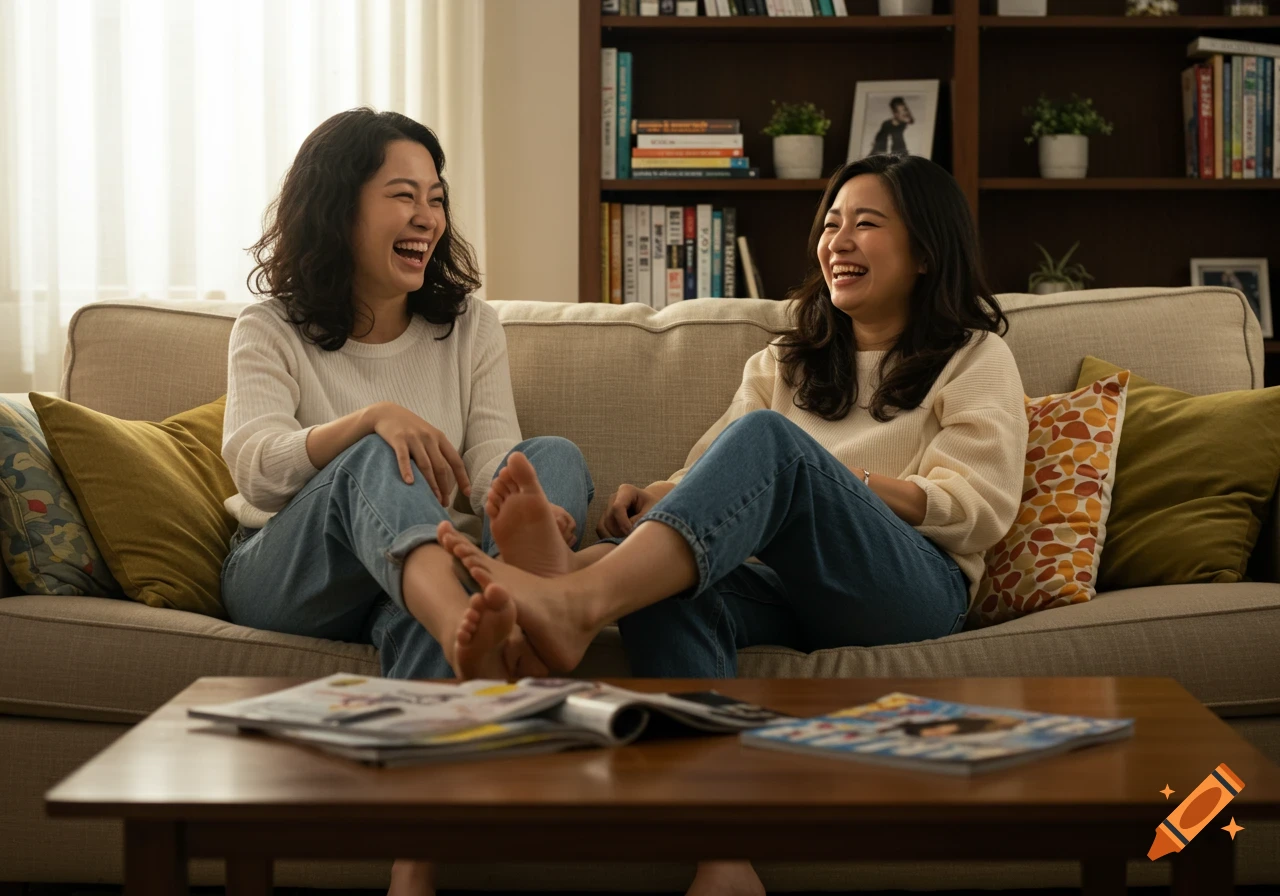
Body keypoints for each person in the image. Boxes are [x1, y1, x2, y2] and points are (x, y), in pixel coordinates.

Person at [435, 152, 1028, 896]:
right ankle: (723, 857)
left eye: (866, 224)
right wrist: (657, 496)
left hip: (908, 584)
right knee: (668, 587)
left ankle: (575, 589)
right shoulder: (785, 359)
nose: (838, 241)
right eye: (831, 224)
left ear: (926, 251)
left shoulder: (975, 356)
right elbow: (719, 470)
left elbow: (976, 505)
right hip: (778, 582)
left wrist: (835, 481)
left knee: (779, 447)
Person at [218, 107, 594, 896]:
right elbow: (255, 470)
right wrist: (369, 420)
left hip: (416, 567)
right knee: (373, 457)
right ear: (338, 206)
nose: (427, 216)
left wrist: (528, 504)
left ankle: (413, 864)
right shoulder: (268, 328)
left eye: (437, 196)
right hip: (292, 573)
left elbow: (495, 459)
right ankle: (518, 606)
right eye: (402, 195)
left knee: (551, 456)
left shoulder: (468, 327)